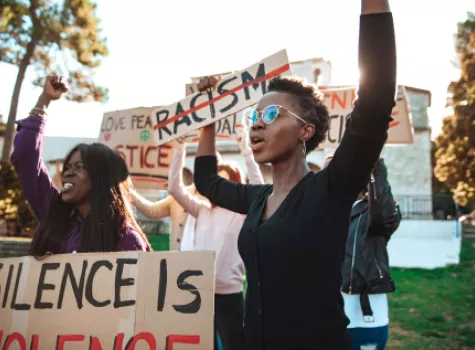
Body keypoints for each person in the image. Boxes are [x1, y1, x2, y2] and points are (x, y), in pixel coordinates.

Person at [192, 0, 396, 348]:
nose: (257, 124)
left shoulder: (330, 190)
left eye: (271, 114)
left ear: (305, 130)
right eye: (252, 118)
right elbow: (206, 183)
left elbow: (376, 100)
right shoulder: (257, 199)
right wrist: (208, 119)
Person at [11, 76, 151, 256]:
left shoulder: (126, 239)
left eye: (78, 167)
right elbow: (26, 157)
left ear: (101, 178)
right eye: (67, 168)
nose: (67, 174)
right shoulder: (54, 214)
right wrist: (44, 101)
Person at [168, 122, 264, 350]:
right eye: (214, 183)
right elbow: (174, 188)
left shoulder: (243, 212)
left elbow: (259, 186)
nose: (217, 190)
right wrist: (180, 147)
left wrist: (244, 147)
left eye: (224, 183)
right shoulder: (200, 209)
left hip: (229, 296)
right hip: (195, 293)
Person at [328, 158, 401, 350]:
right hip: (326, 321)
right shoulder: (324, 214)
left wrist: (375, 161)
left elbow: (384, 217)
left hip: (363, 321)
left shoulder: (374, 212)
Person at [129, 166, 196, 250]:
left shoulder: (212, 199)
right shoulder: (176, 198)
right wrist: (128, 190)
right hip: (178, 257)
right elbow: (153, 211)